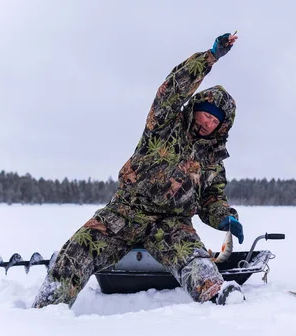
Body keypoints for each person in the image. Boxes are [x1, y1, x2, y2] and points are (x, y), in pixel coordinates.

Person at [32, 32, 245, 308]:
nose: (207, 122)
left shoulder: (213, 160)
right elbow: (172, 89)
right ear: (196, 109)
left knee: (195, 260)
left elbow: (211, 200)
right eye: (206, 113)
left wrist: (224, 217)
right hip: (127, 210)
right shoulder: (165, 123)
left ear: (222, 127)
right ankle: (47, 307)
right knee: (81, 245)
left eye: (215, 121)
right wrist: (210, 57)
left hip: (172, 222)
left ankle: (220, 297)